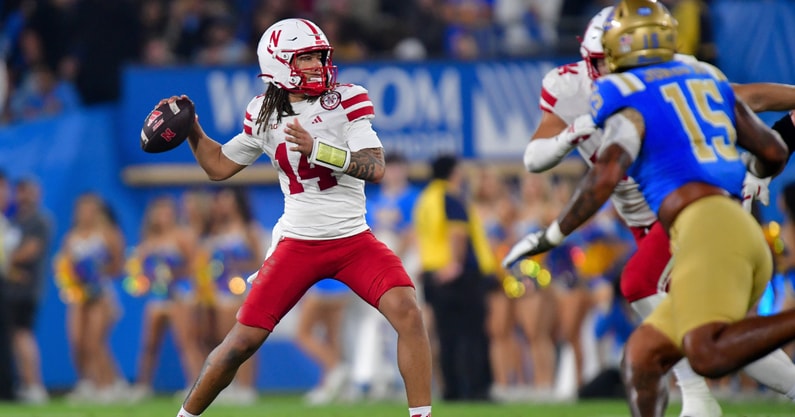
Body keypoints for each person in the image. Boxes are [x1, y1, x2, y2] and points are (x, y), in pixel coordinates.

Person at [502, 1, 794, 416]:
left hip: (702, 215)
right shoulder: (585, 87)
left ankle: (698, 400)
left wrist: (549, 236)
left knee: (647, 292)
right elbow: (535, 158)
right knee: (647, 355)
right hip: (663, 220)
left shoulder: (633, 88)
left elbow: (604, 177)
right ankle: (709, 400)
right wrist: (760, 170)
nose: (610, 71)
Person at [157, 18, 433, 417]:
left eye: (319, 56)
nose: (318, 65)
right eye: (306, 58)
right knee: (240, 344)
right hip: (298, 244)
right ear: (279, 63)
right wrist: (192, 129)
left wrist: (318, 148)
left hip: (354, 240)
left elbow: (375, 167)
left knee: (408, 312)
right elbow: (218, 166)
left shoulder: (347, 99)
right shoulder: (262, 113)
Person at [413, 155, 495, 401]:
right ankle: (475, 389)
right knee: (470, 333)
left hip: (432, 273)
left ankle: (451, 389)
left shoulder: (425, 199)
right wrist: (456, 264)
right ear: (453, 172)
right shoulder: (450, 196)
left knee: (446, 335)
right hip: (456, 276)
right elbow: (457, 233)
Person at [128, 195, 204, 400]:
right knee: (149, 343)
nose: (163, 216)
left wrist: (175, 277)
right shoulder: (148, 240)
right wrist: (143, 281)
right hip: (157, 296)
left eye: (167, 211)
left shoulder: (182, 236)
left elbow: (195, 265)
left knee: (186, 342)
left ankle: (196, 385)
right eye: (159, 212)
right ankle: (143, 386)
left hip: (180, 295)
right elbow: (139, 271)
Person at [54, 193, 126, 403]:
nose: (86, 214)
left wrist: (96, 272)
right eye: (82, 210)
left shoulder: (108, 234)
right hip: (78, 295)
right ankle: (87, 383)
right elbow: (63, 266)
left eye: (90, 209)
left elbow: (118, 266)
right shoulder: (71, 237)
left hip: (102, 293)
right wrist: (74, 279)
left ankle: (108, 385)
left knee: (96, 341)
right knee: (77, 340)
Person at [6, 178, 51, 404]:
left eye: (28, 192)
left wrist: (5, 262)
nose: (23, 196)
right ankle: (24, 383)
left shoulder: (39, 221)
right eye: (20, 191)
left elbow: (30, 251)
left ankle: (35, 385)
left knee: (23, 334)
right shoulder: (14, 220)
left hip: (26, 290)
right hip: (10, 289)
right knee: (14, 337)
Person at [295, 279, 352, 405]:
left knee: (303, 334)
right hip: (342, 287)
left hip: (320, 287)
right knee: (332, 336)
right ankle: (336, 387)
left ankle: (335, 367)